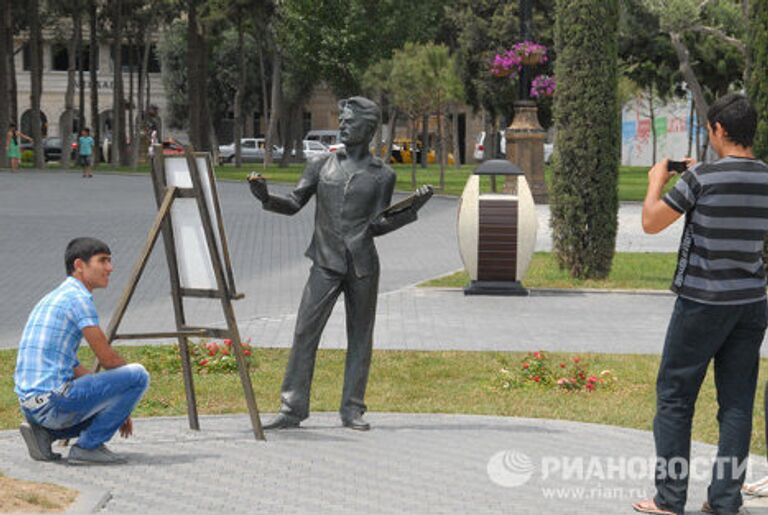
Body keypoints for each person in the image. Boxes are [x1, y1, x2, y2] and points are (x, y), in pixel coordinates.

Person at [248, 96, 433, 431]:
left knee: (360, 336)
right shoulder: (321, 165)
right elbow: (292, 203)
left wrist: (411, 210)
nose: (342, 125)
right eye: (342, 119)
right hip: (324, 261)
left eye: (349, 121)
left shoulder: (383, 175)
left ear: (368, 128)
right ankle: (292, 408)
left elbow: (378, 224)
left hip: (362, 265)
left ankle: (352, 409)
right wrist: (264, 196)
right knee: (305, 331)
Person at [632, 94, 768, 515]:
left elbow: (652, 222)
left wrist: (658, 179)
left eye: (710, 129)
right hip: (752, 303)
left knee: (675, 396)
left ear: (720, 130)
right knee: (736, 403)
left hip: (701, 303)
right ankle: (725, 500)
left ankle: (669, 499)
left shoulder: (701, 178)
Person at [14, 237, 150, 464]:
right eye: (103, 261)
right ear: (79, 265)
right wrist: (125, 396)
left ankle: (45, 434)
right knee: (138, 375)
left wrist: (120, 402)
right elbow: (107, 357)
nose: (110, 268)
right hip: (53, 403)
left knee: (105, 395)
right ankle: (88, 447)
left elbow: (71, 363)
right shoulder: (79, 298)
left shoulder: (53, 297)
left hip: (31, 407)